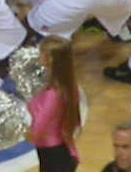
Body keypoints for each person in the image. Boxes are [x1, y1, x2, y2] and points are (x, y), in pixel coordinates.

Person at [27, 36, 80, 172]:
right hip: (59, 151)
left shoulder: (53, 95)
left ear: (49, 59)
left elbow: (37, 129)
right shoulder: (67, 85)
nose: (38, 56)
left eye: (41, 53)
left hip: (54, 155)